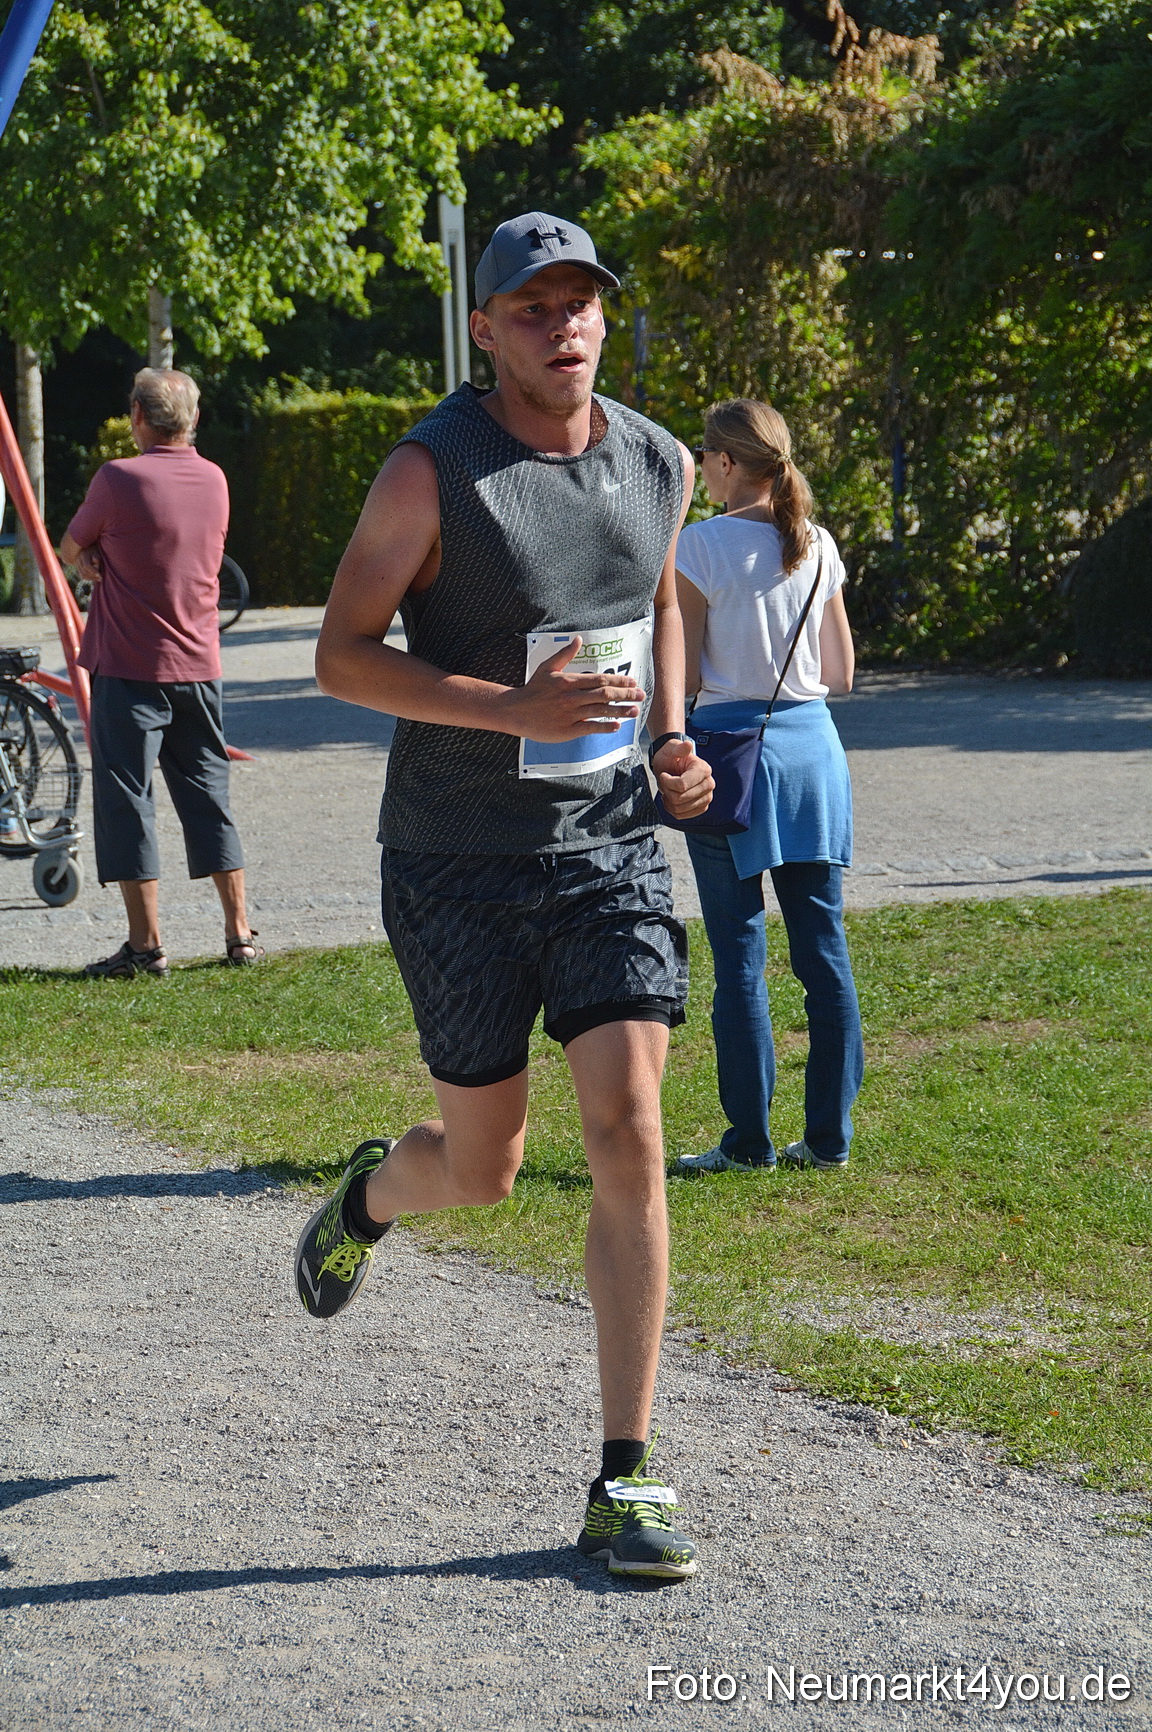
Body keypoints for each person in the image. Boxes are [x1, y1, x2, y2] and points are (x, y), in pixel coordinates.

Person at [294, 211, 714, 1580]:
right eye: (530, 308)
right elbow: (342, 658)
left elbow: (654, 602)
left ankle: (625, 1479)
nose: (562, 326)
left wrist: (666, 737)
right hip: (455, 861)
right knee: (482, 1171)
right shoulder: (433, 470)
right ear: (484, 329)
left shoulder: (654, 457)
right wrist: (512, 706)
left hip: (606, 848)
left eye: (579, 301)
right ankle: (370, 1198)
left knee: (632, 1129)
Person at [671, 398, 864, 1175]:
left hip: (730, 755)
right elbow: (842, 673)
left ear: (722, 464)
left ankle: (747, 1144)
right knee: (824, 953)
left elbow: (680, 679)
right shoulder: (815, 543)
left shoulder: (698, 547)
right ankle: (828, 1140)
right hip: (813, 751)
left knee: (738, 957)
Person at [60, 368, 260, 978]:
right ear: (193, 420)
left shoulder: (118, 477)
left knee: (128, 799)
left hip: (128, 665)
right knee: (208, 794)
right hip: (199, 663)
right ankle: (239, 934)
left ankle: (145, 947)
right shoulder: (215, 479)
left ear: (137, 418)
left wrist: (97, 557)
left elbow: (72, 548)